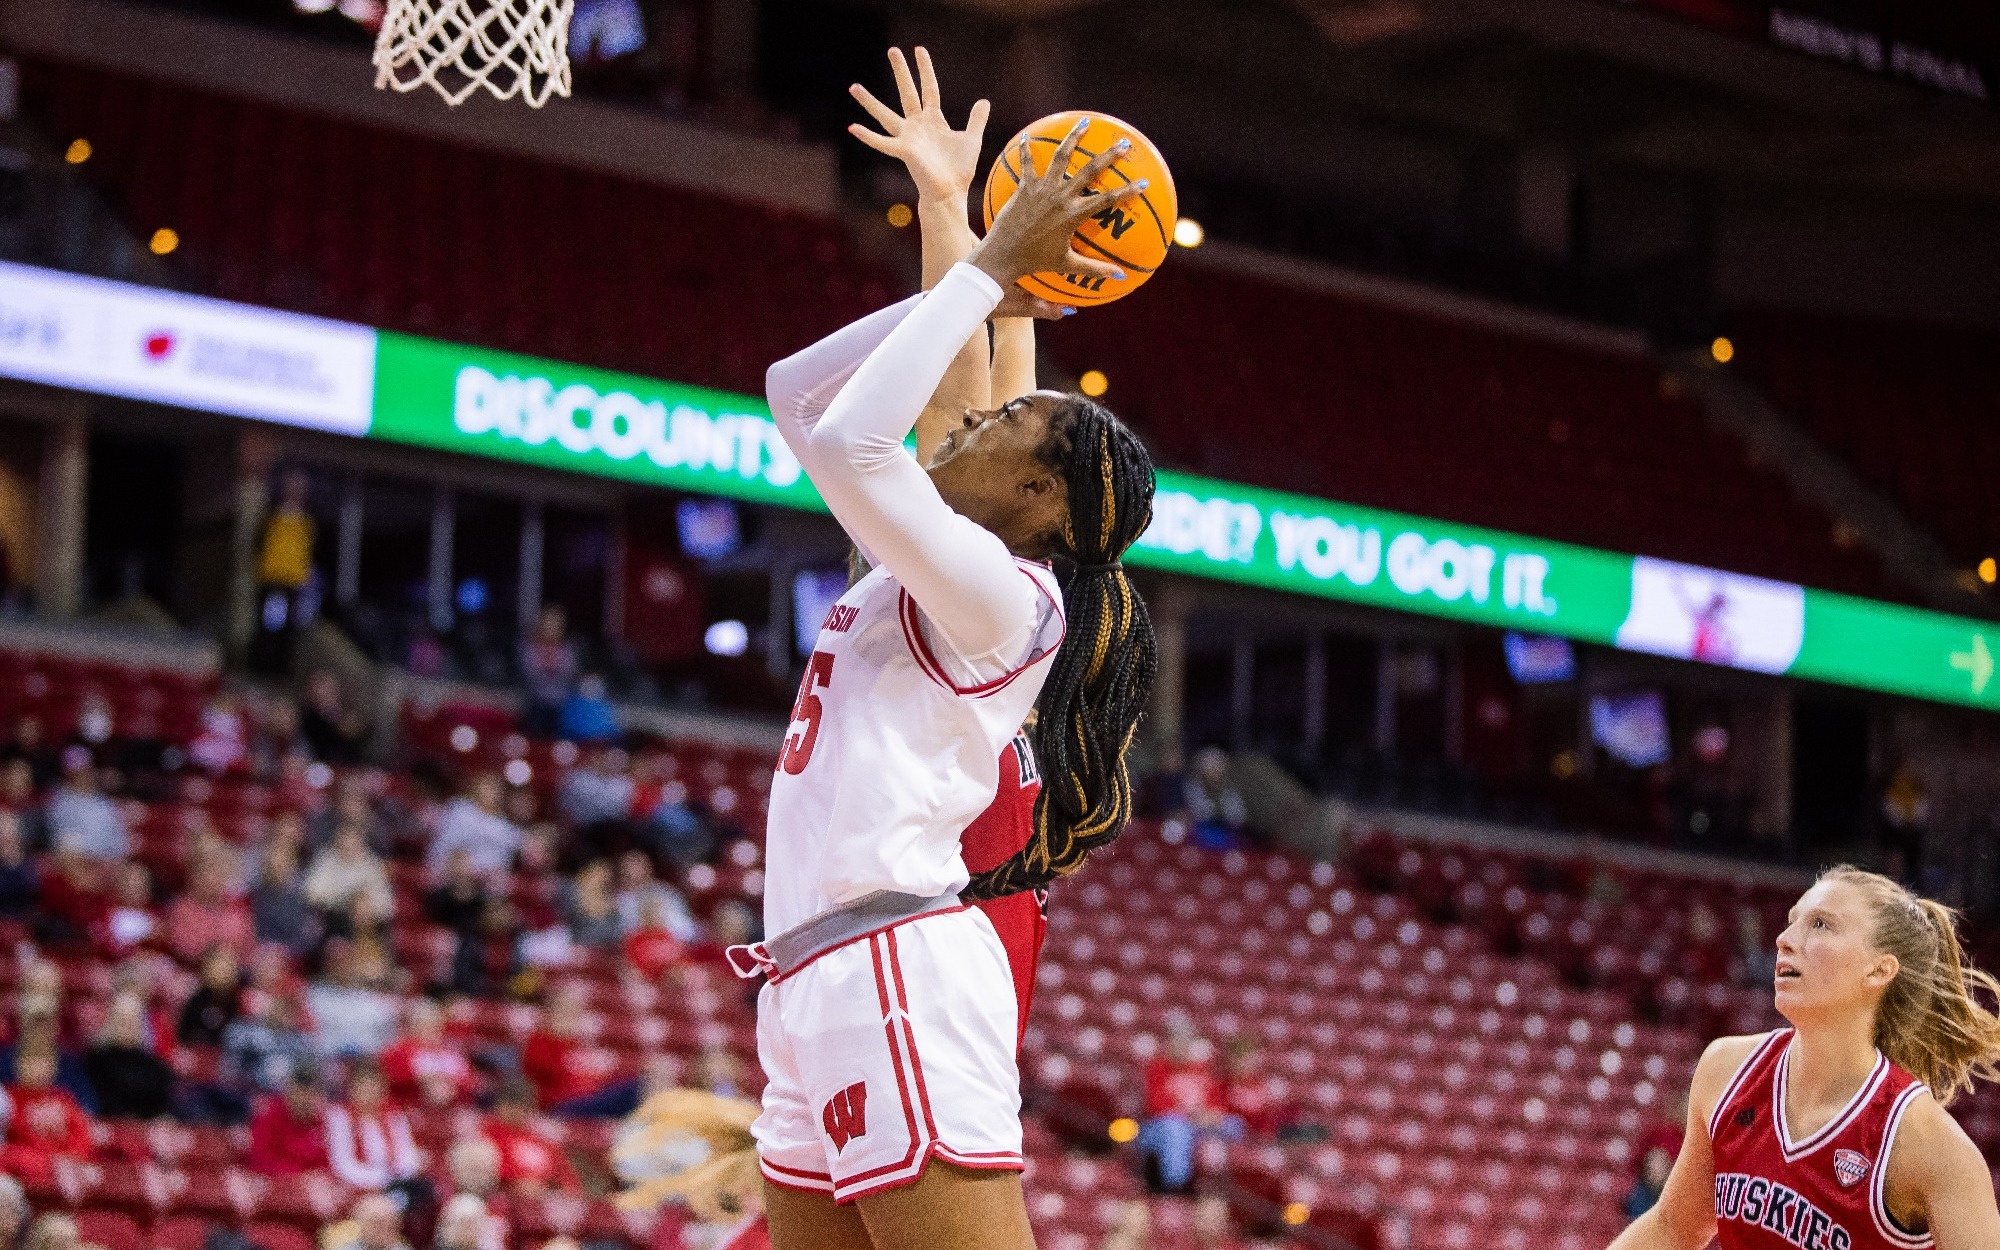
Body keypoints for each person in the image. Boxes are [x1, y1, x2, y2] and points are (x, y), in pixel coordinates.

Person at [749, 47, 1154, 1250]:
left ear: (1037, 499)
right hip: (808, 973)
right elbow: (796, 393)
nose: (973, 414)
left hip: (896, 966)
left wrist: (980, 273)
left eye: (1005, 423)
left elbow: (867, 440)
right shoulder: (922, 568)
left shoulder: (1008, 597)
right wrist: (962, 247)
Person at [1605, 866, 2000, 1250]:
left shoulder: (1927, 1145)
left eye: (1820, 925)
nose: (1784, 939)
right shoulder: (1726, 1071)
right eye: (1792, 921)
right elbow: (1673, 1230)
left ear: (1878, 970)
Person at [253, 469, 316, 676]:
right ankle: (261, 668)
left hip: (293, 583)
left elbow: (306, 554)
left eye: (299, 488)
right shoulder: (272, 517)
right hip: (272, 581)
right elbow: (261, 547)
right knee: (269, 625)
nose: (294, 491)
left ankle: (281, 672)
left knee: (289, 631)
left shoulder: (306, 522)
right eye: (291, 487)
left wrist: (303, 578)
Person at [325, 1059, 421, 1193]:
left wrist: (400, 1175)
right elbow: (342, 1164)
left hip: (395, 1182)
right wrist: (380, 1179)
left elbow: (407, 1152)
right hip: (356, 1186)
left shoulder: (394, 1116)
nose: (368, 1091)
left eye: (373, 1086)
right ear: (351, 1089)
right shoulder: (339, 1117)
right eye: (362, 1085)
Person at [81, 992, 175, 1119]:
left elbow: (161, 1103)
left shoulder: (154, 1066)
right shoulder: (95, 1061)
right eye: (122, 1020)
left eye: (133, 1021)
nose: (127, 1027)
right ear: (110, 1022)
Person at [482, 1077, 581, 1196]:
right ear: (499, 1106)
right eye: (511, 1104)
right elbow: (487, 1178)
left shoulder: (541, 1140)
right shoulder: (487, 1136)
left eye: (523, 1106)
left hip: (545, 1201)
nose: (517, 1111)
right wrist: (515, 1185)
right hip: (505, 1201)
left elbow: (568, 1182)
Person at [380, 998, 476, 1109]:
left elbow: (469, 1081)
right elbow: (393, 1079)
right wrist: (426, 1081)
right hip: (409, 1109)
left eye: (436, 1024)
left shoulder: (451, 1052)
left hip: (451, 1111)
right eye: (426, 1024)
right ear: (413, 1026)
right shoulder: (397, 1051)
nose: (432, 1029)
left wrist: (449, 1084)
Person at [164, 850, 255, 966]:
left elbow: (248, 946)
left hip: (237, 972)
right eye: (207, 873)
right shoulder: (181, 910)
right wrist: (217, 955)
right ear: (194, 878)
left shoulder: (237, 908)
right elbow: (184, 950)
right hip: (196, 971)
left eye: (218, 874)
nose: (213, 880)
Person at [4, 1044, 93, 1162]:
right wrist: (49, 1157)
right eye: (31, 1063)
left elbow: (81, 1131)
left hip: (66, 1163)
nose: (38, 1070)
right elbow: (16, 1136)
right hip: (30, 1164)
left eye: (44, 1063)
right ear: (18, 1065)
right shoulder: (8, 1098)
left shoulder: (63, 1097)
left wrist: (74, 1155)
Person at [427, 774, 523, 878]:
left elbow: (515, 844)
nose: (492, 793)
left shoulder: (503, 824)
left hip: (486, 880)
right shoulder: (460, 809)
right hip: (449, 873)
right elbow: (447, 846)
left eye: (496, 789)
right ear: (476, 788)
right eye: (487, 787)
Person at [42, 749, 128, 862]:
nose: (82, 775)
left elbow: (118, 840)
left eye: (85, 770)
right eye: (76, 772)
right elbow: (61, 839)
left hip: (105, 862)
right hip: (74, 863)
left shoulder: (104, 803)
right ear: (67, 774)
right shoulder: (58, 801)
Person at [247, 1064, 331, 1175]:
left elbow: (330, 1161)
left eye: (310, 1096)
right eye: (298, 1095)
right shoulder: (268, 1116)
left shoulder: (325, 1120)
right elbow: (260, 1159)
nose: (303, 1101)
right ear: (288, 1092)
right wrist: (299, 1176)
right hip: (278, 1182)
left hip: (315, 1183)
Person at [519, 605, 579, 739]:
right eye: (548, 623)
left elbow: (569, 673)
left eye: (555, 624)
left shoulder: (567, 649)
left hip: (560, 705)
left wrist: (553, 672)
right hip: (537, 704)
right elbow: (531, 673)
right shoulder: (529, 648)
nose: (551, 628)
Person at [177, 943, 244, 1047]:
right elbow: (184, 1039)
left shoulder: (244, 999)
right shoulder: (196, 1004)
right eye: (215, 968)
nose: (221, 974)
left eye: (225, 968)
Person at [1624, 1145, 1673, 1220]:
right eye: (1652, 1170)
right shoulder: (1638, 1197)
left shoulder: (1675, 1191)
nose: (1657, 1174)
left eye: (1661, 1169)